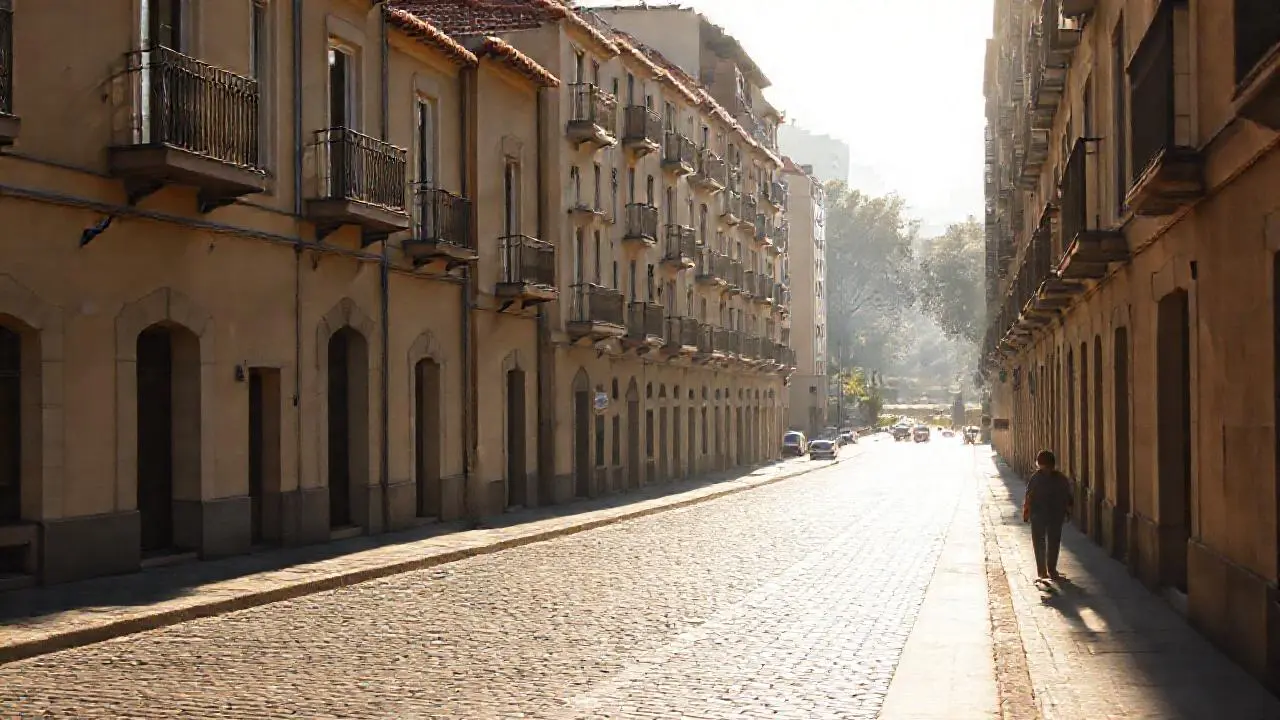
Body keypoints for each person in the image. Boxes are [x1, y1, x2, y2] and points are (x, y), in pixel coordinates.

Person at [1021, 449, 1073, 582]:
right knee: (1053, 542)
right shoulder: (1061, 478)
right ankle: (1051, 569)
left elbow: (1028, 497)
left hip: (1039, 515)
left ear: (1039, 463)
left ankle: (1043, 571)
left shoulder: (1036, 478)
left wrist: (1026, 513)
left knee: (1040, 542)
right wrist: (1067, 511)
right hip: (1055, 515)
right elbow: (1068, 497)